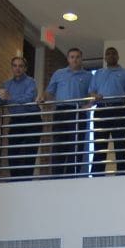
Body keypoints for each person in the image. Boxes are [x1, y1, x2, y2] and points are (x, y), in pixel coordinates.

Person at [43, 46, 93, 176]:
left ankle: (73, 176)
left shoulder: (88, 76)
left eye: (77, 57)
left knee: (76, 146)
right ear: (68, 59)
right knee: (59, 145)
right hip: (61, 111)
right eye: (72, 57)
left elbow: (93, 94)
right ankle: (56, 177)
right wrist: (42, 98)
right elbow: (49, 92)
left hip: (78, 112)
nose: (74, 60)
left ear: (81, 59)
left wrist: (88, 105)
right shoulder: (59, 73)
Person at [0, 56, 41, 178]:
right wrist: (1, 98)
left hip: (32, 118)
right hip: (16, 118)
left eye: (20, 66)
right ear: (12, 67)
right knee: (13, 149)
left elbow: (28, 98)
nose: (17, 68)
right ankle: (15, 177)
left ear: (25, 68)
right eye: (15, 66)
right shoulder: (7, 84)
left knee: (30, 150)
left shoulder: (30, 81)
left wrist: (10, 98)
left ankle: (26, 178)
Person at [88, 46, 125, 175]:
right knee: (99, 147)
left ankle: (123, 177)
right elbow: (92, 90)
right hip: (102, 110)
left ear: (118, 56)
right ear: (105, 57)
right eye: (108, 54)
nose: (111, 56)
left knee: (120, 146)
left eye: (114, 53)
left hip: (119, 110)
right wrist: (94, 95)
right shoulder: (98, 73)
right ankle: (96, 177)